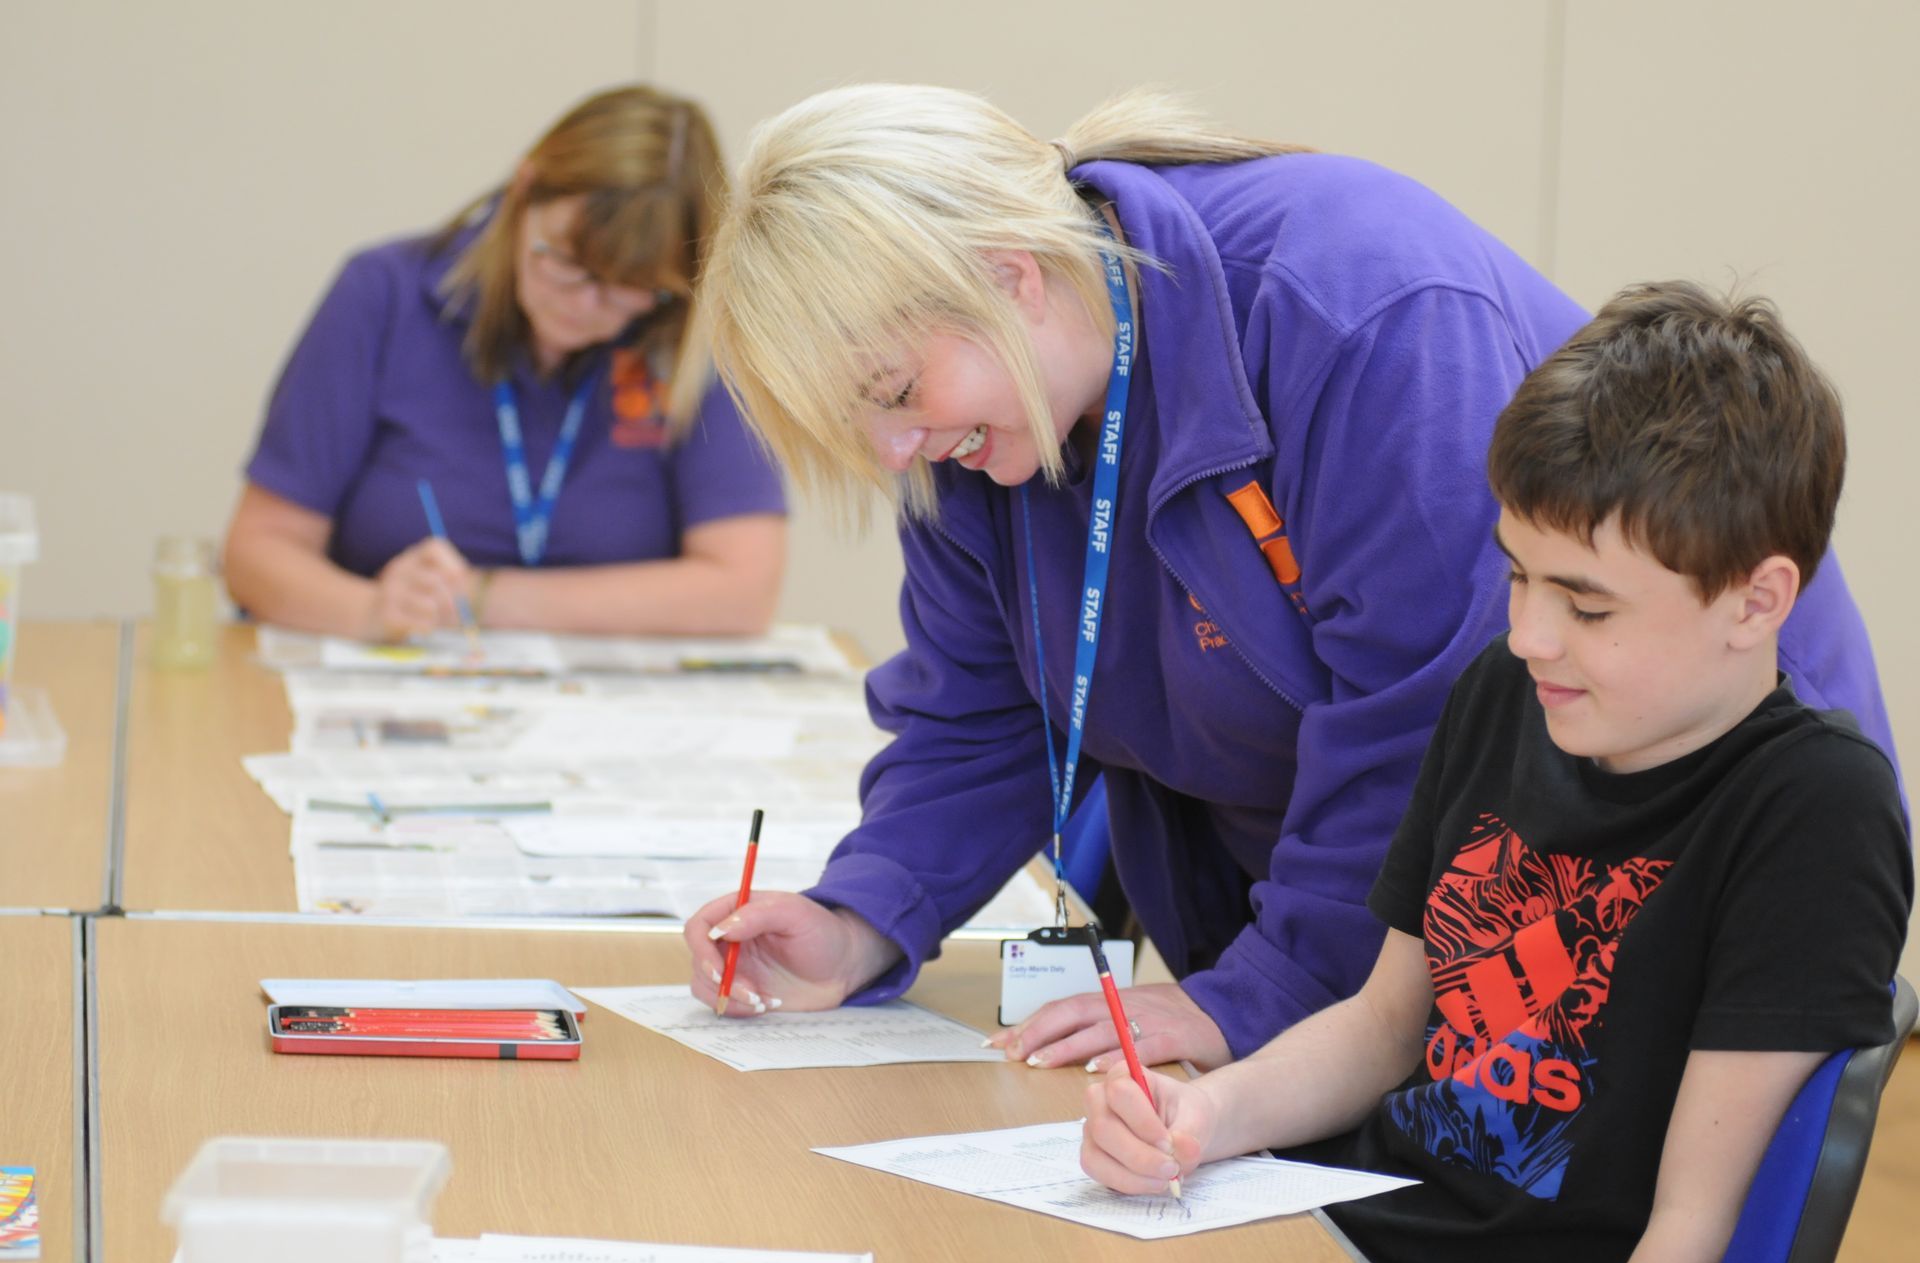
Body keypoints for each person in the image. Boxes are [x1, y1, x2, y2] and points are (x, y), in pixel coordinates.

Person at [681, 85, 1896, 1073]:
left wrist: (1256, 1000)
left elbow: (1436, 730)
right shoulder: (982, 428)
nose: (896, 451)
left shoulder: (1360, 310)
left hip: (1649, 874)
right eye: (862, 423)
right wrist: (860, 916)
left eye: (897, 395)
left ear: (1010, 275)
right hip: (1363, 955)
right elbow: (980, 711)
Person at [1078, 282, 1912, 1263]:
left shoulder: (1814, 811)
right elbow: (1385, 1025)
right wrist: (1207, 1113)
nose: (1529, 635)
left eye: (1587, 608)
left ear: (1756, 601)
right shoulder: (1507, 693)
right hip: (1346, 1222)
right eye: (1517, 574)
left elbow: (1692, 1230)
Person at [225, 85, 787, 642]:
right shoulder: (385, 295)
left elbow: (742, 591)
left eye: (630, 289)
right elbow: (259, 552)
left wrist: (481, 596)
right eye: (568, 265)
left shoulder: (688, 333)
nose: (586, 306)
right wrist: (369, 610)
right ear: (524, 190)